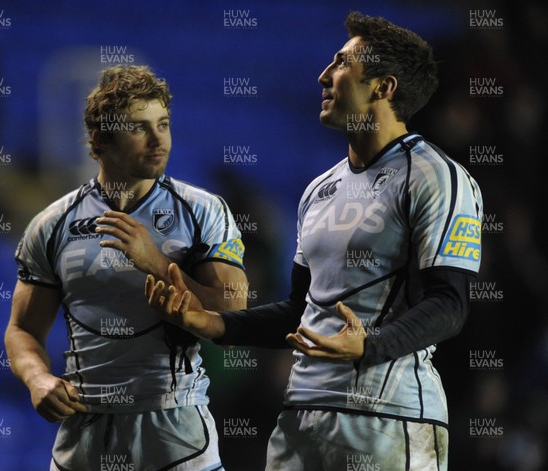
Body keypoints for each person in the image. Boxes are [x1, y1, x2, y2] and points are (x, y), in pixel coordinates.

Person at [146, 11, 483, 471]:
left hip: (387, 419)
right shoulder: (319, 190)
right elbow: (298, 310)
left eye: (342, 64)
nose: (324, 75)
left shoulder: (435, 177)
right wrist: (213, 324)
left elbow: (450, 304)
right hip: (299, 421)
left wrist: (369, 344)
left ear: (383, 88)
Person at [4, 64, 247, 471]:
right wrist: (37, 379)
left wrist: (155, 261)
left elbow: (234, 314)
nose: (159, 140)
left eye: (164, 124)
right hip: (83, 430)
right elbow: (23, 329)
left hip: (175, 429)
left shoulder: (203, 210)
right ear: (101, 139)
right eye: (139, 128)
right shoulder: (51, 224)